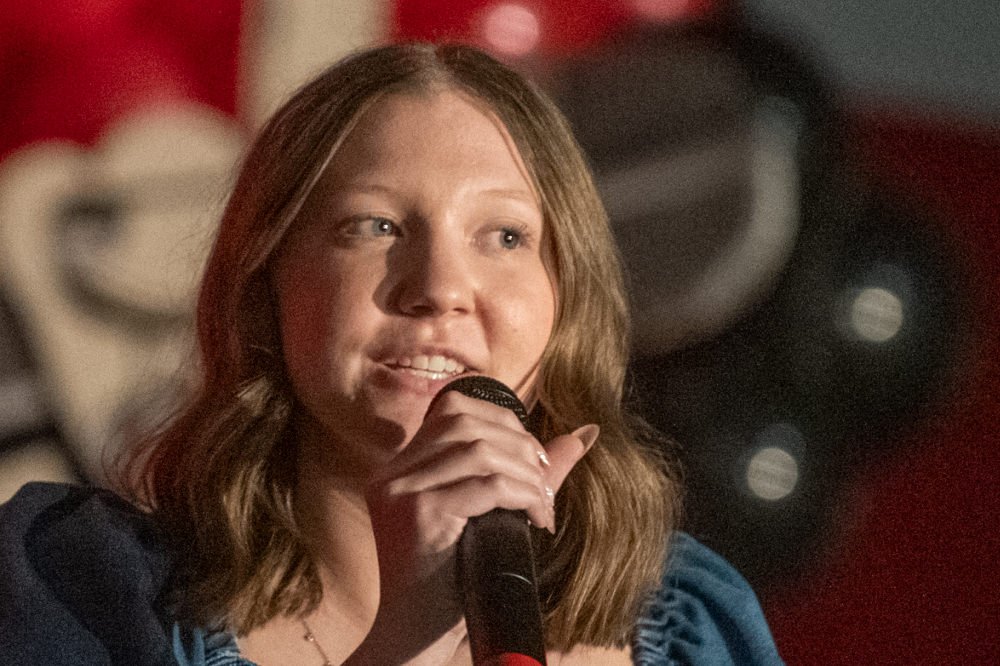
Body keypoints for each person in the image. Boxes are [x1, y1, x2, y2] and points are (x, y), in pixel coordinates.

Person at [0, 43, 782, 665]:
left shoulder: (693, 627)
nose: (440, 288)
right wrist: (404, 632)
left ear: (565, 298)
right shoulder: (80, 595)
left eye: (505, 237)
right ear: (266, 281)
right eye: (374, 227)